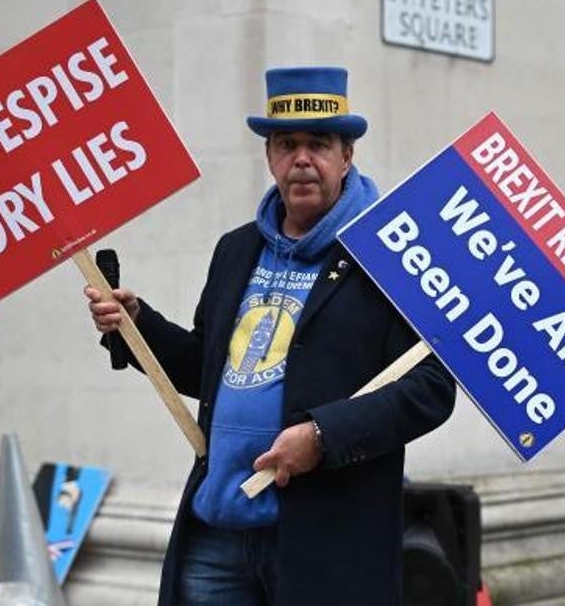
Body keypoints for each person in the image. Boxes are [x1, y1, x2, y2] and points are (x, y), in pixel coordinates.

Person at [85, 66, 456, 605]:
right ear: (269, 157)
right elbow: (205, 369)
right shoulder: (236, 250)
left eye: (319, 144)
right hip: (219, 532)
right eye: (286, 144)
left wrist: (322, 436)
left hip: (325, 545)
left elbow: (431, 388)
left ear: (346, 156)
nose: (301, 158)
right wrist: (137, 325)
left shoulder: (391, 253)